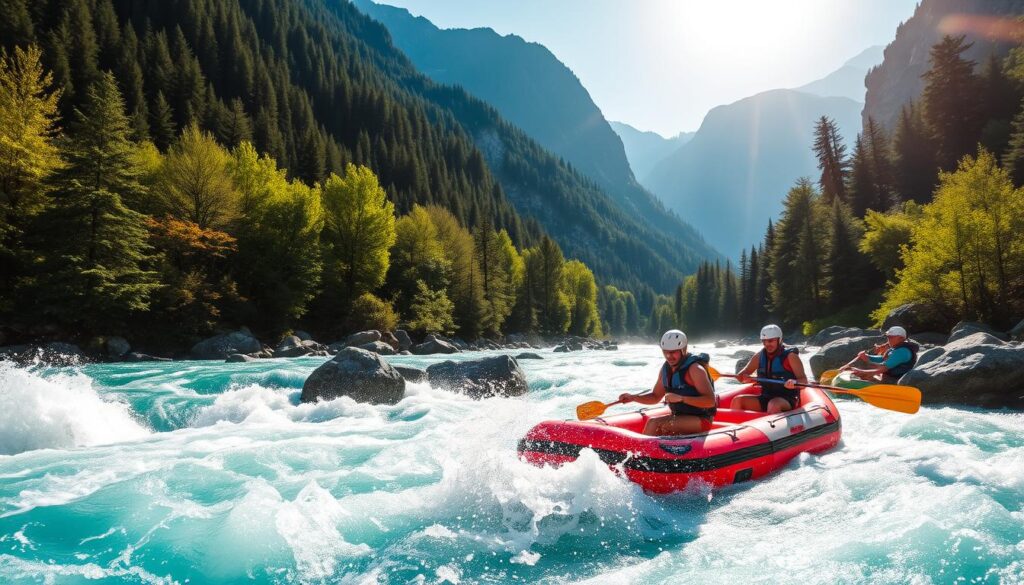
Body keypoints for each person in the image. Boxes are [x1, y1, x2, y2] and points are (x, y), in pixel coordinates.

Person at [617, 329, 717, 435]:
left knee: (654, 423)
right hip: (680, 418)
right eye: (665, 352)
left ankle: (638, 452)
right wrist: (633, 398)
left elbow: (710, 401)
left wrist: (681, 399)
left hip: (701, 420)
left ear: (683, 350)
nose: (669, 356)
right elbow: (655, 396)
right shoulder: (666, 369)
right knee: (659, 429)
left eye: (673, 352)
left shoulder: (695, 369)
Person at [733, 324, 808, 413]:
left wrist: (794, 382)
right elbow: (742, 374)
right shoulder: (759, 356)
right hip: (766, 397)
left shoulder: (791, 357)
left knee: (773, 404)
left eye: (770, 341)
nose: (767, 344)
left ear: (779, 340)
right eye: (764, 341)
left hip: (787, 399)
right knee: (737, 401)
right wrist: (743, 377)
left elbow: (804, 381)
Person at [839, 326, 918, 382]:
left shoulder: (902, 351)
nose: (888, 339)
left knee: (865, 372)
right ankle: (845, 371)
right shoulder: (895, 348)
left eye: (891, 337)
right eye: (888, 337)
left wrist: (861, 370)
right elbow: (882, 359)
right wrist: (867, 356)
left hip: (895, 380)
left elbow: (882, 368)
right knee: (864, 364)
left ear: (901, 338)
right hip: (889, 376)